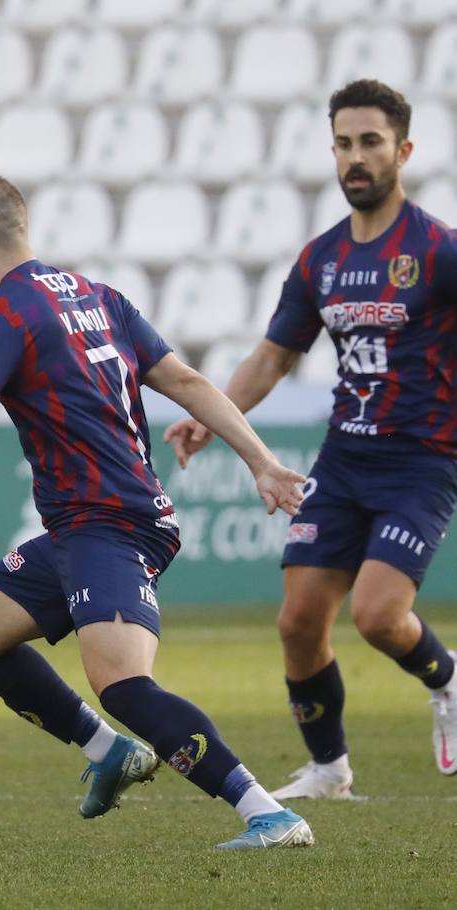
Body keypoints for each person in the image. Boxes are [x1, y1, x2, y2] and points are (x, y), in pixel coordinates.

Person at [0, 175, 316, 849]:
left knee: (125, 683)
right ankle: (105, 750)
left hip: (109, 522)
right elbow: (189, 382)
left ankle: (267, 812)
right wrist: (259, 460)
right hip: (84, 525)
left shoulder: (0, 318)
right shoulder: (98, 297)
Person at [165, 79, 457, 798]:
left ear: (403, 151)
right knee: (298, 621)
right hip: (344, 458)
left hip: (422, 461)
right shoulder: (319, 259)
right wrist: (214, 413)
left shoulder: (438, 251)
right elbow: (273, 356)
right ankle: (329, 769)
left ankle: (447, 682)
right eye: (344, 144)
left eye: (371, 143)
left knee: (379, 616)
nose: (355, 158)